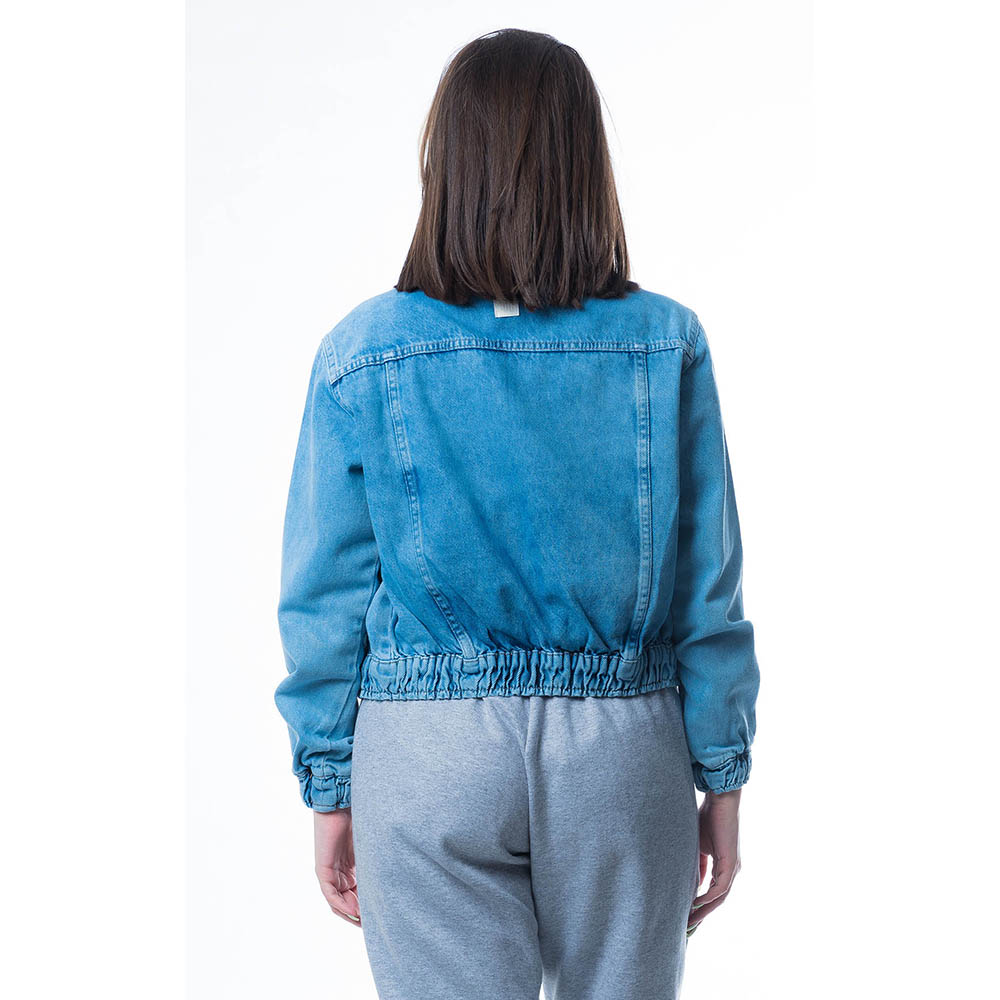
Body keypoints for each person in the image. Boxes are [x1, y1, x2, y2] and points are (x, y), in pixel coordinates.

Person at [275, 27, 760, 1000]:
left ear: (444, 166)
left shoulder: (362, 352)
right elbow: (706, 589)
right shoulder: (665, 343)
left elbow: (326, 593)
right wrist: (722, 774)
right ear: (587, 165)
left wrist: (330, 786)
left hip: (427, 754)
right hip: (622, 751)